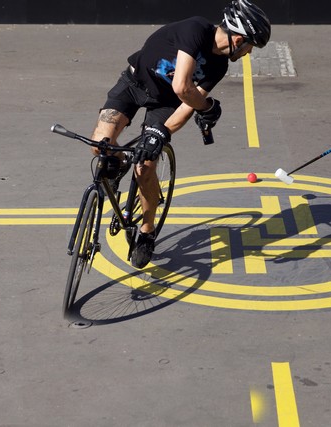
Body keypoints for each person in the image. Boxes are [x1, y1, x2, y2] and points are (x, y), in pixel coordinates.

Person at [87, 0, 271, 268]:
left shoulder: (218, 67)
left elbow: (185, 104)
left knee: (146, 167)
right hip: (133, 83)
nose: (249, 53)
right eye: (250, 47)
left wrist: (160, 134)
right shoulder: (196, 29)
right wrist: (208, 107)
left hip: (165, 105)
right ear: (239, 39)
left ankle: (147, 232)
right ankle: (120, 162)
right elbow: (184, 87)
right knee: (99, 147)